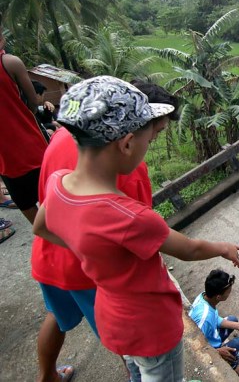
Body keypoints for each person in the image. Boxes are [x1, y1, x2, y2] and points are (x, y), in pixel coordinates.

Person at [32, 76, 239, 382]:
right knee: (162, 375)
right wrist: (222, 247)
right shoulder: (129, 216)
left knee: (135, 366)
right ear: (128, 143)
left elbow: (42, 226)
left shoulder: (59, 183)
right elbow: (189, 249)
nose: (149, 146)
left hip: (112, 318)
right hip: (151, 326)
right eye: (150, 139)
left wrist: (88, 246)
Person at [31, 81, 179, 382]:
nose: (153, 140)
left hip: (48, 252)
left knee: (56, 318)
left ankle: (46, 377)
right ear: (132, 132)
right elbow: (139, 239)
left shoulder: (70, 134)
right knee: (133, 345)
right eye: (155, 132)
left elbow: (45, 207)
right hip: (88, 270)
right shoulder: (128, 172)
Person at [0, 25, 48, 224]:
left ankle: (49, 244)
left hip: (5, 158)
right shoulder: (9, 62)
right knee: (53, 198)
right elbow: (33, 102)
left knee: (27, 206)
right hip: (31, 144)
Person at [189, 269, 239, 379]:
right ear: (218, 296)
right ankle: (233, 366)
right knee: (238, 344)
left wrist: (237, 326)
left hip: (209, 336)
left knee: (233, 320)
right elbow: (196, 348)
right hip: (208, 346)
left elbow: (216, 319)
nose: (230, 291)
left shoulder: (204, 298)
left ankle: (223, 349)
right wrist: (217, 352)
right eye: (228, 291)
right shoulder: (204, 319)